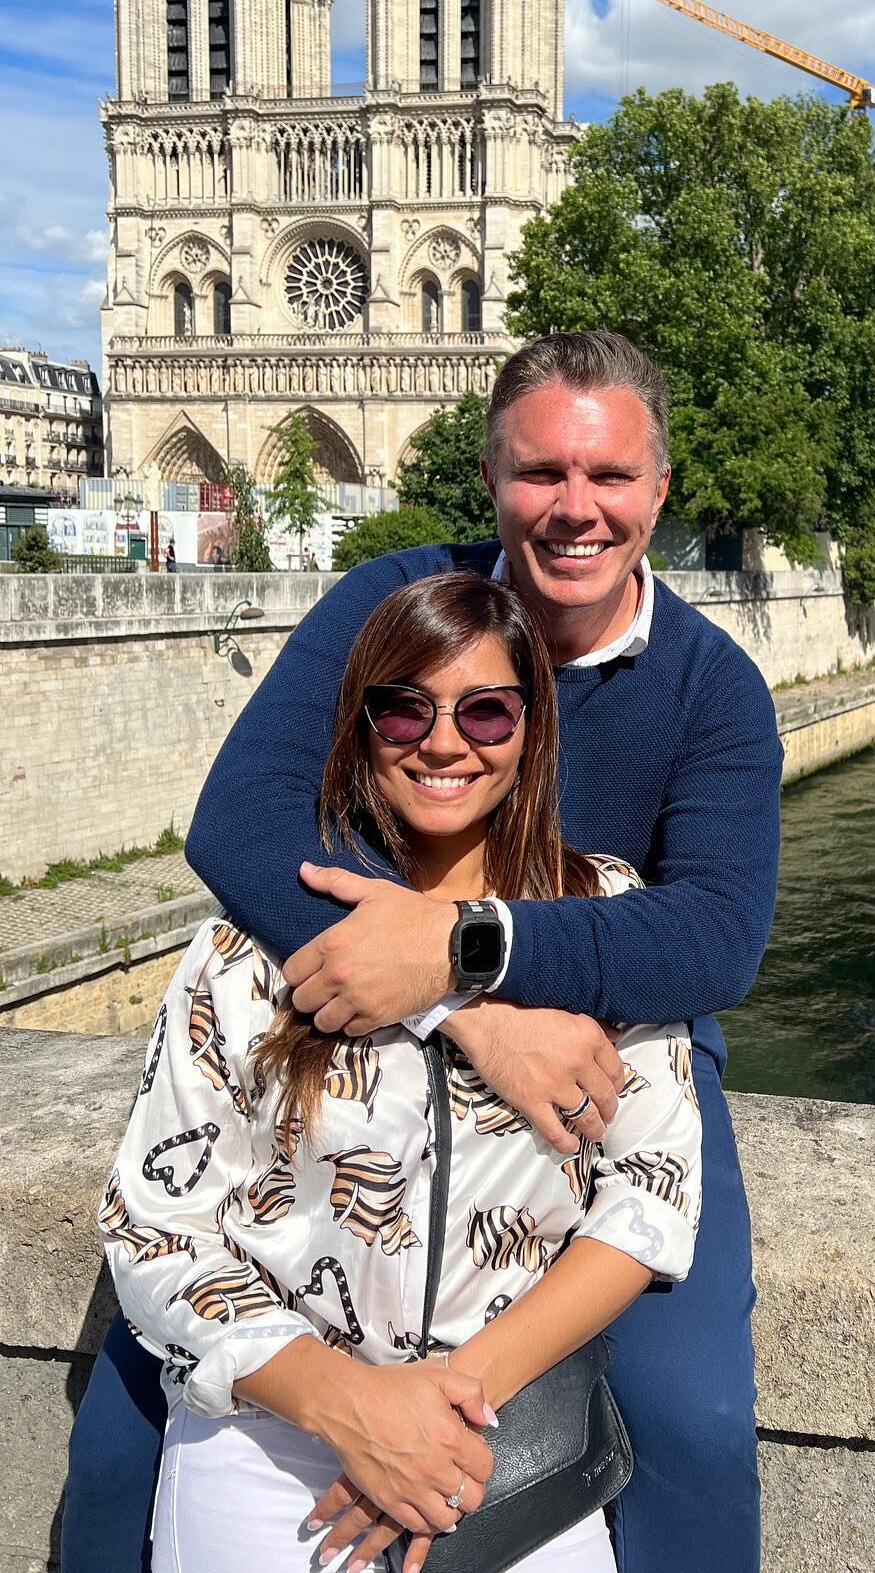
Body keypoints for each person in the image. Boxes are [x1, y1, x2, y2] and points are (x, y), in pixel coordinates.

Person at [63, 330, 781, 1573]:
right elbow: (238, 821)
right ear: (490, 477)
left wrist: (465, 952)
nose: (574, 508)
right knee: (122, 1424)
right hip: (360, 991)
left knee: (698, 1425)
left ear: (660, 490)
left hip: (613, 1033)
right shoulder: (398, 607)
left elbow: (715, 937)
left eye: (609, 477)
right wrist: (461, 1007)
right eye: (538, 472)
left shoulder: (711, 687)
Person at [98, 570, 701, 1573]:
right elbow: (153, 1226)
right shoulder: (249, 947)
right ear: (360, 723)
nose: (444, 740)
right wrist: (353, 1409)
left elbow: (650, 1192)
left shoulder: (599, 918)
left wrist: (447, 1406)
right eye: (403, 708)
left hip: (504, 1440)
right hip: (269, 1438)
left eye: (488, 709)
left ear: (534, 728)